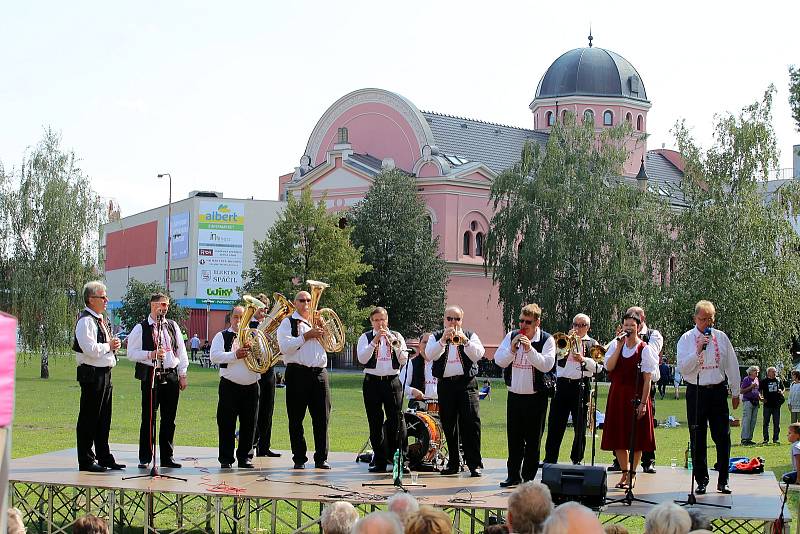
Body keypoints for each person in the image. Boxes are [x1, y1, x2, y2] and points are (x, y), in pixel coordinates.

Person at [677, 300, 741, 495]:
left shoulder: (721, 338)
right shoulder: (687, 339)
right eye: (703, 319)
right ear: (695, 318)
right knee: (697, 436)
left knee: (722, 436)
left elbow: (732, 365)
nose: (707, 323)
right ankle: (701, 479)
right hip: (696, 391)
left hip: (717, 391)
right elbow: (684, 369)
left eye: (710, 319)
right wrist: (697, 350)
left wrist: (736, 391)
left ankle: (723, 479)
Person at [494, 303, 555, 486]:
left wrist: (529, 349)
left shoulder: (546, 339)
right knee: (514, 439)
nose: (523, 325)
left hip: (536, 397)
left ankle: (528, 478)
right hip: (515, 396)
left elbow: (546, 365)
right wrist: (512, 350)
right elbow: (499, 361)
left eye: (528, 322)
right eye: (521, 321)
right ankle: (513, 475)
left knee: (533, 441)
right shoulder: (512, 336)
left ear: (537, 322)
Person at [127, 293, 189, 469]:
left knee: (169, 418)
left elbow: (181, 351)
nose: (165, 307)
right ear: (153, 306)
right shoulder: (141, 328)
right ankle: (146, 457)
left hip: (171, 375)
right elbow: (131, 353)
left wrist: (182, 374)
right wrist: (150, 355)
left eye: (167, 305)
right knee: (149, 417)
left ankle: (167, 457)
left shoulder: (172, 325)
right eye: (162, 304)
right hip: (151, 375)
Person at [425, 304, 486, 477]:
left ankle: (474, 463)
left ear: (462, 320)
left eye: (457, 319)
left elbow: (478, 354)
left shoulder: (470, 335)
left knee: (471, 424)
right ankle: (453, 463)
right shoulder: (436, 336)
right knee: (449, 424)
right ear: (444, 319)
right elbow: (430, 355)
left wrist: (465, 341)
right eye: (449, 318)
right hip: (446, 385)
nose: (453, 322)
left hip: (466, 384)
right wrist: (443, 340)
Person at [601, 310, 656, 490]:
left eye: (632, 326)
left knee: (636, 438)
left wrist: (643, 403)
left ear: (638, 328)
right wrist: (618, 347)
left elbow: (648, 379)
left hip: (636, 396)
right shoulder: (616, 346)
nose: (629, 329)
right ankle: (624, 472)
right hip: (617, 396)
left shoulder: (644, 349)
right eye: (626, 326)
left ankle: (632, 473)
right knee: (618, 438)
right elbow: (609, 366)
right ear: (621, 328)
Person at [277, 290, 331, 469]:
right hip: (297, 373)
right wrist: (306, 335)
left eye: (309, 299)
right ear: (295, 303)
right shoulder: (288, 322)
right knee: (295, 418)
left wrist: (326, 331)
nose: (306, 303)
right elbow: (285, 347)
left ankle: (321, 458)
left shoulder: (318, 320)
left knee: (322, 418)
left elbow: (332, 345)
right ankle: (299, 458)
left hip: (319, 374)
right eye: (302, 300)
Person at [73, 280, 123, 472]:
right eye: (102, 297)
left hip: (104, 373)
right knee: (89, 417)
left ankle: (104, 456)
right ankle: (86, 459)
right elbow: (90, 349)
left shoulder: (100, 319)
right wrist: (108, 346)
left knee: (104, 418)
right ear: (91, 299)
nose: (106, 300)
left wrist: (112, 346)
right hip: (92, 374)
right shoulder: (86, 320)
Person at [356, 307, 409, 472]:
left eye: (383, 320)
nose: (380, 323)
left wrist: (394, 344)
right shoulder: (365, 338)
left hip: (392, 382)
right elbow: (362, 358)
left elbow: (404, 359)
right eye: (376, 320)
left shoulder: (397, 336)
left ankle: (400, 461)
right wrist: (375, 341)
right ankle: (379, 461)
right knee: (375, 422)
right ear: (372, 322)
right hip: (372, 382)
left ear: (387, 320)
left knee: (397, 421)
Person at [544, 312, 600, 467]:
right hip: (562, 385)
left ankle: (577, 458)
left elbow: (599, 368)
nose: (577, 328)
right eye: (575, 324)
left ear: (587, 327)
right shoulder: (563, 340)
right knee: (555, 423)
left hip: (581, 385)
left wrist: (584, 359)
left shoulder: (593, 344)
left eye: (581, 325)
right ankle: (550, 458)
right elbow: (555, 357)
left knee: (580, 425)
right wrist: (567, 341)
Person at [210, 305, 260, 468]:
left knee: (249, 424)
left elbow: (266, 357)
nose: (239, 320)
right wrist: (234, 355)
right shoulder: (222, 336)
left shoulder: (255, 336)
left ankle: (245, 457)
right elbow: (215, 356)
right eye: (236, 317)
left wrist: (257, 349)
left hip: (252, 386)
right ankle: (226, 459)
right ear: (230, 318)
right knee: (226, 424)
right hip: (229, 386)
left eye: (242, 316)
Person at [248, 301, 280, 458]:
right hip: (255, 370)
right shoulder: (248, 326)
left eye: (266, 308)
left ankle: (264, 446)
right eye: (261, 308)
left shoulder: (272, 326)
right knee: (254, 409)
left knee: (268, 409)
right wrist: (260, 335)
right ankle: (250, 444)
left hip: (269, 370)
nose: (265, 311)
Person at [398, 333, 436, 411]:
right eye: (425, 342)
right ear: (419, 344)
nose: (427, 345)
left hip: (440, 404)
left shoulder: (442, 363)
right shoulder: (411, 363)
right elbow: (401, 384)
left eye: (430, 342)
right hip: (417, 405)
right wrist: (412, 391)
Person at [760, 366, 784, 444]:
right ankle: (766, 439)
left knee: (776, 423)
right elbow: (759, 390)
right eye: (773, 371)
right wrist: (761, 398)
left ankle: (775, 439)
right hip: (767, 405)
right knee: (766, 423)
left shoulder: (778, 380)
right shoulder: (764, 381)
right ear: (768, 373)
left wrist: (781, 391)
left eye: (775, 371)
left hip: (776, 405)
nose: (775, 373)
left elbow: (783, 388)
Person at [739, 365, 760, 445]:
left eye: (757, 371)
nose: (757, 372)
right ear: (750, 372)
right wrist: (751, 387)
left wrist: (760, 398)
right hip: (748, 401)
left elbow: (757, 390)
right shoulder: (746, 379)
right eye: (755, 370)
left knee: (753, 421)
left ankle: (749, 438)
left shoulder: (757, 379)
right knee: (747, 420)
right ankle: (744, 439)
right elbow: (741, 391)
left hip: (755, 401)